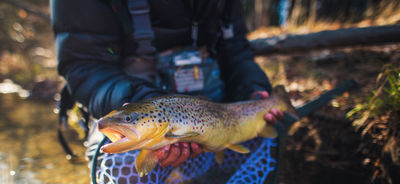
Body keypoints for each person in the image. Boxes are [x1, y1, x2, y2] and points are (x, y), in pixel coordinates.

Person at [51, 0, 283, 169]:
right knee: (123, 172)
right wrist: (138, 98)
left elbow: (235, 49)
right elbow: (84, 64)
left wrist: (252, 87)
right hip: (124, 97)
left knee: (254, 150)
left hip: (218, 108)